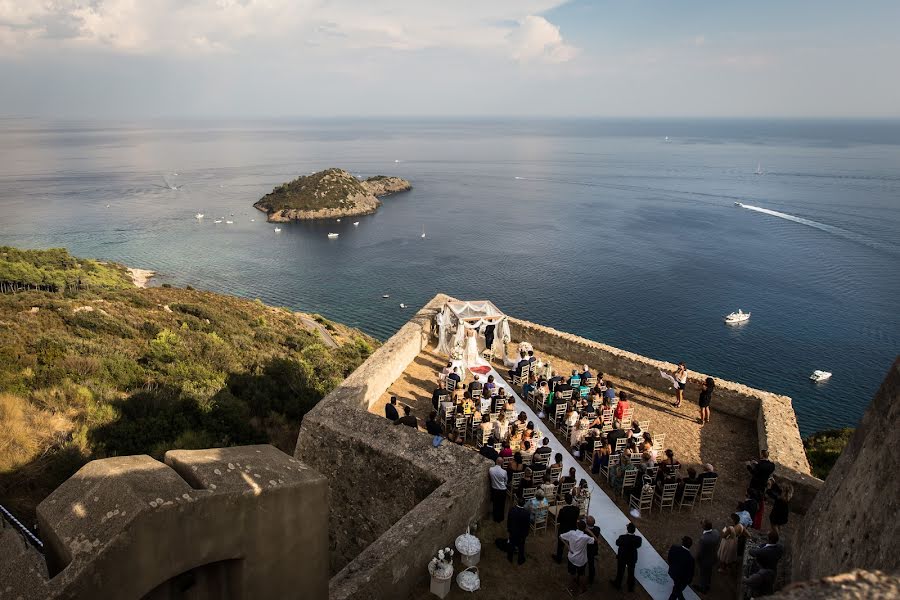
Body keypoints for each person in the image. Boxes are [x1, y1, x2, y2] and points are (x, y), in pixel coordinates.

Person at [559, 519, 598, 595]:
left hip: (571, 557)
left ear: (577, 526)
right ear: (584, 528)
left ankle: (570, 588)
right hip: (581, 560)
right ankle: (582, 589)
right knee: (582, 574)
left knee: (571, 573)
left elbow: (560, 537)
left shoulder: (571, 533)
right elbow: (595, 540)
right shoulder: (585, 537)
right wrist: (588, 530)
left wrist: (568, 547)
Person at [611, 521, 642, 592]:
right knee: (631, 572)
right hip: (632, 557)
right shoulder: (638, 539)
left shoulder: (622, 537)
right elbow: (638, 545)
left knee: (620, 571)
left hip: (622, 557)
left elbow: (617, 543)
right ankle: (630, 587)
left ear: (627, 529)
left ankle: (618, 584)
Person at [553, 493, 580, 563]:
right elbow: (576, 518)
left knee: (560, 544)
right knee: (572, 543)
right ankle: (573, 555)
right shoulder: (577, 509)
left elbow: (559, 520)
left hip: (563, 529)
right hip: (573, 529)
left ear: (565, 500)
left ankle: (559, 558)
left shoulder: (562, 510)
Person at [695, 520, 720, 593]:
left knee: (703, 573)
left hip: (705, 560)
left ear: (704, 527)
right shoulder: (716, 532)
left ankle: (703, 588)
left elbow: (700, 552)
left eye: (702, 524)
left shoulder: (703, 539)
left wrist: (697, 559)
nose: (701, 524)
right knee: (709, 571)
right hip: (713, 557)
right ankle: (708, 583)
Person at [667, 536, 695, 600]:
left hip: (672, 572)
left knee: (676, 590)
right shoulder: (691, 559)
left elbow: (669, 559)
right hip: (681, 579)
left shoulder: (674, 548)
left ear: (682, 542)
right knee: (676, 591)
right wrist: (688, 581)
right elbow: (690, 572)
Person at [506, 493, 530, 564]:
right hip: (522, 533)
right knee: (521, 546)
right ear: (524, 504)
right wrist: (526, 533)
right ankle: (520, 559)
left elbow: (509, 521)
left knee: (511, 544)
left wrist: (509, 529)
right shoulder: (527, 513)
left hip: (513, 531)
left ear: (517, 502)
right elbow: (527, 525)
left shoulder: (512, 510)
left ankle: (510, 557)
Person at [489, 457, 508, 522]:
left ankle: (495, 517)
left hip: (494, 489)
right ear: (502, 463)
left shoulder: (491, 469)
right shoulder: (504, 472)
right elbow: (506, 481)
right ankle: (500, 518)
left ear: (496, 461)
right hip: (502, 490)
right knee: (501, 505)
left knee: (495, 504)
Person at [585, 515, 601, 584]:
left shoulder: (585, 531)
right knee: (591, 563)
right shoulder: (597, 529)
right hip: (593, 548)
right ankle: (591, 576)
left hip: (586, 549)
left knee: (588, 562)